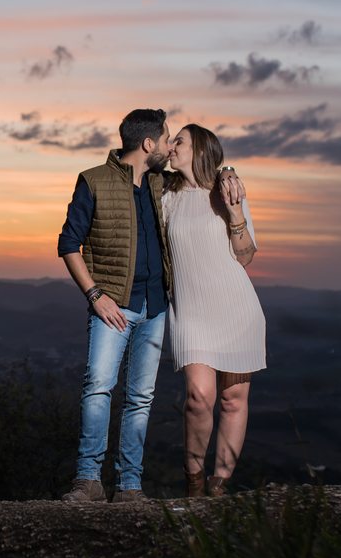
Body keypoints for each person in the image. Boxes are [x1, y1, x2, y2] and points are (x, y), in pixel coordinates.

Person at [55, 109, 173, 504]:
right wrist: (95, 295)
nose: (170, 147)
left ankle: (129, 485)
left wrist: (227, 174)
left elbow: (200, 177)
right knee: (98, 388)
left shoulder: (160, 183)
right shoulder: (93, 180)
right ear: (149, 143)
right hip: (114, 308)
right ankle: (88, 479)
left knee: (140, 398)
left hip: (155, 307)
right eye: (167, 139)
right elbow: (68, 244)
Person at [162, 123, 266, 498]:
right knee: (199, 397)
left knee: (232, 401)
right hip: (191, 313)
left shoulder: (227, 191)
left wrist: (235, 212)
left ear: (200, 151)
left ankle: (219, 486)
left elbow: (246, 257)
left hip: (237, 309)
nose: (171, 146)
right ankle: (193, 482)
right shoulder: (166, 194)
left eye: (180, 141)